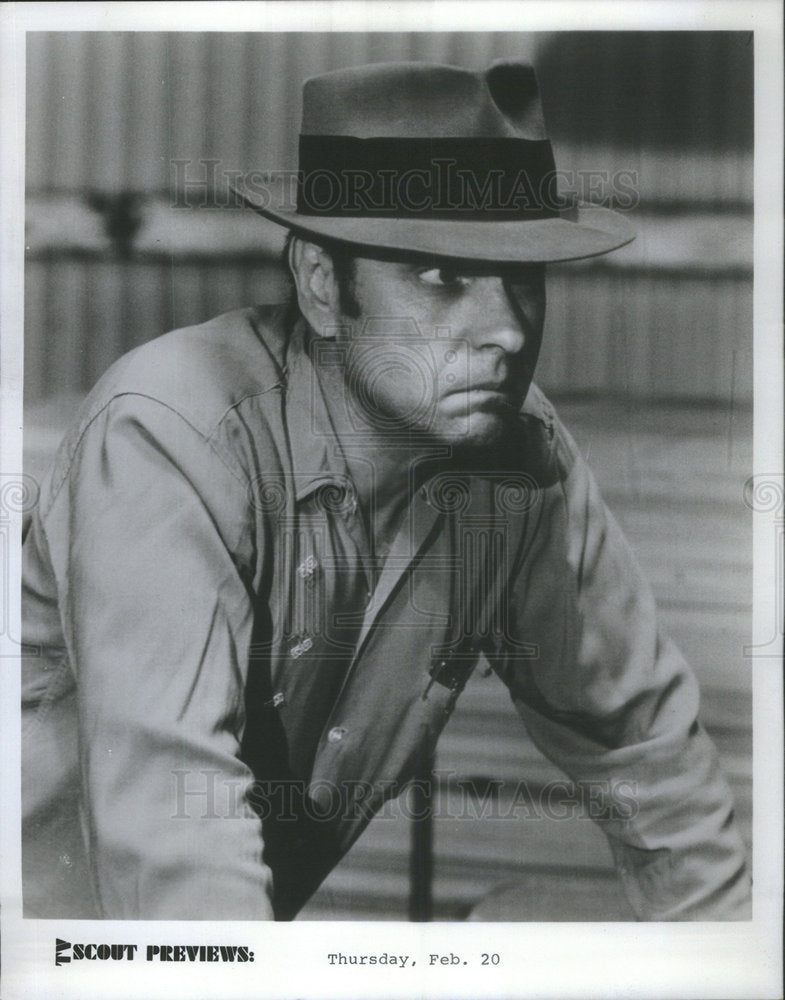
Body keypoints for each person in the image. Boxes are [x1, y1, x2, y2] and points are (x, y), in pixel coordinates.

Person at [21, 60, 750, 921]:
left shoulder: (517, 464)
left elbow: (648, 757)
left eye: (523, 276)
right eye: (441, 276)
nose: (509, 330)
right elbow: (179, 843)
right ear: (325, 285)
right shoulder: (171, 437)